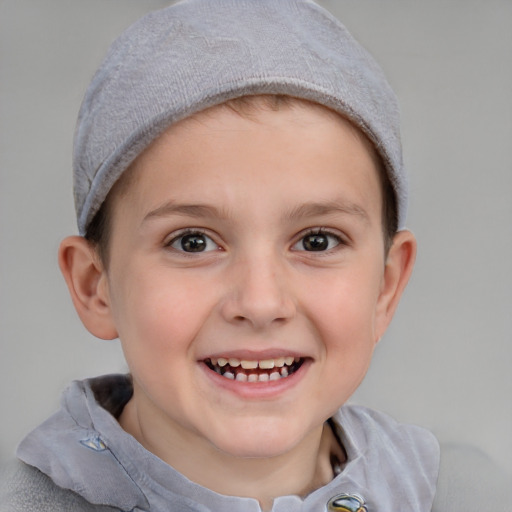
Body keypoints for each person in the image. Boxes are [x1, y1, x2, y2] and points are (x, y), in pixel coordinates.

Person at [0, 1, 509, 511]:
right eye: (193, 242)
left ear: (385, 285)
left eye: (316, 241)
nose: (261, 302)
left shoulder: (464, 496)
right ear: (96, 285)